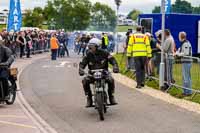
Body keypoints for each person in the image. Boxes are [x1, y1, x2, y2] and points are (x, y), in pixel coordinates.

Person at [79, 38, 119, 107]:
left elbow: (112, 60)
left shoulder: (105, 53)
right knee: (85, 81)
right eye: (89, 46)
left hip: (104, 73)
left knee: (111, 80)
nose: (90, 48)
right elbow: (83, 63)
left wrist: (115, 66)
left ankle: (111, 96)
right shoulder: (88, 54)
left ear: (97, 46)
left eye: (92, 46)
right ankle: (89, 98)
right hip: (92, 74)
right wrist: (81, 69)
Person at [176, 32, 192, 96]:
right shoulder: (184, 43)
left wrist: (178, 54)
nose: (178, 37)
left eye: (179, 36)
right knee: (186, 77)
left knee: (186, 77)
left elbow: (186, 53)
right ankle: (187, 91)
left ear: (181, 36)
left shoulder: (185, 43)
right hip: (186, 62)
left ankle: (187, 92)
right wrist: (178, 52)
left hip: (186, 62)